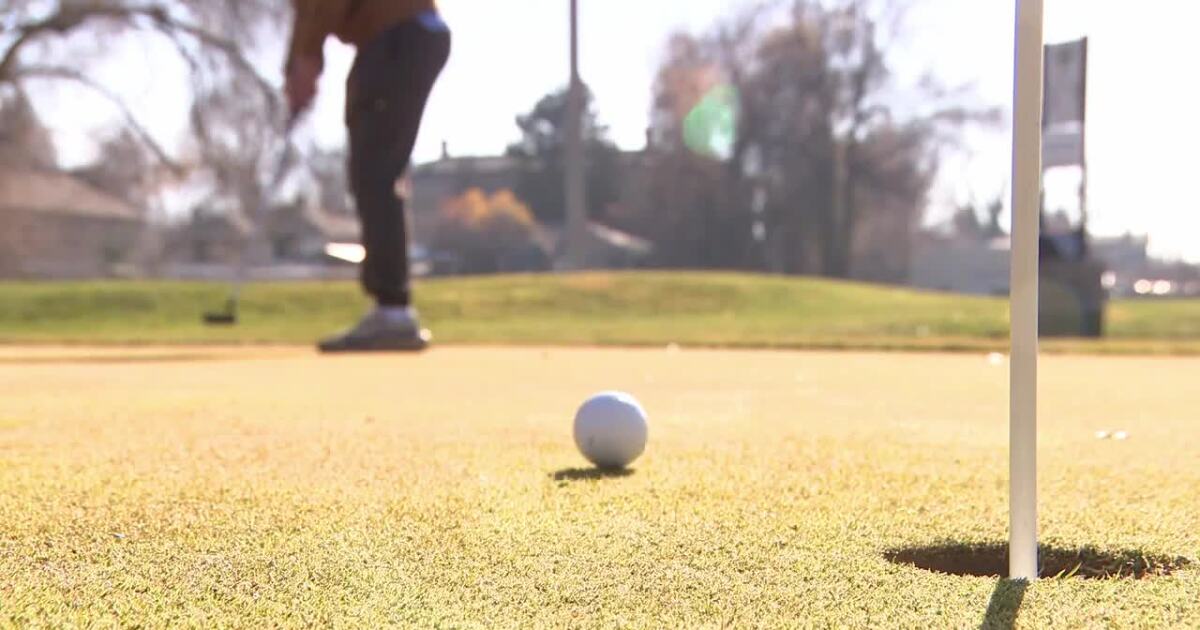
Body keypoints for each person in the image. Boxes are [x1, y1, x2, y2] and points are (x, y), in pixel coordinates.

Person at [285, 0, 450, 352]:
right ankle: (391, 308)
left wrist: (305, 58)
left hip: (399, 36)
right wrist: (301, 59)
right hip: (409, 35)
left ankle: (393, 312)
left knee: (375, 172)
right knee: (376, 171)